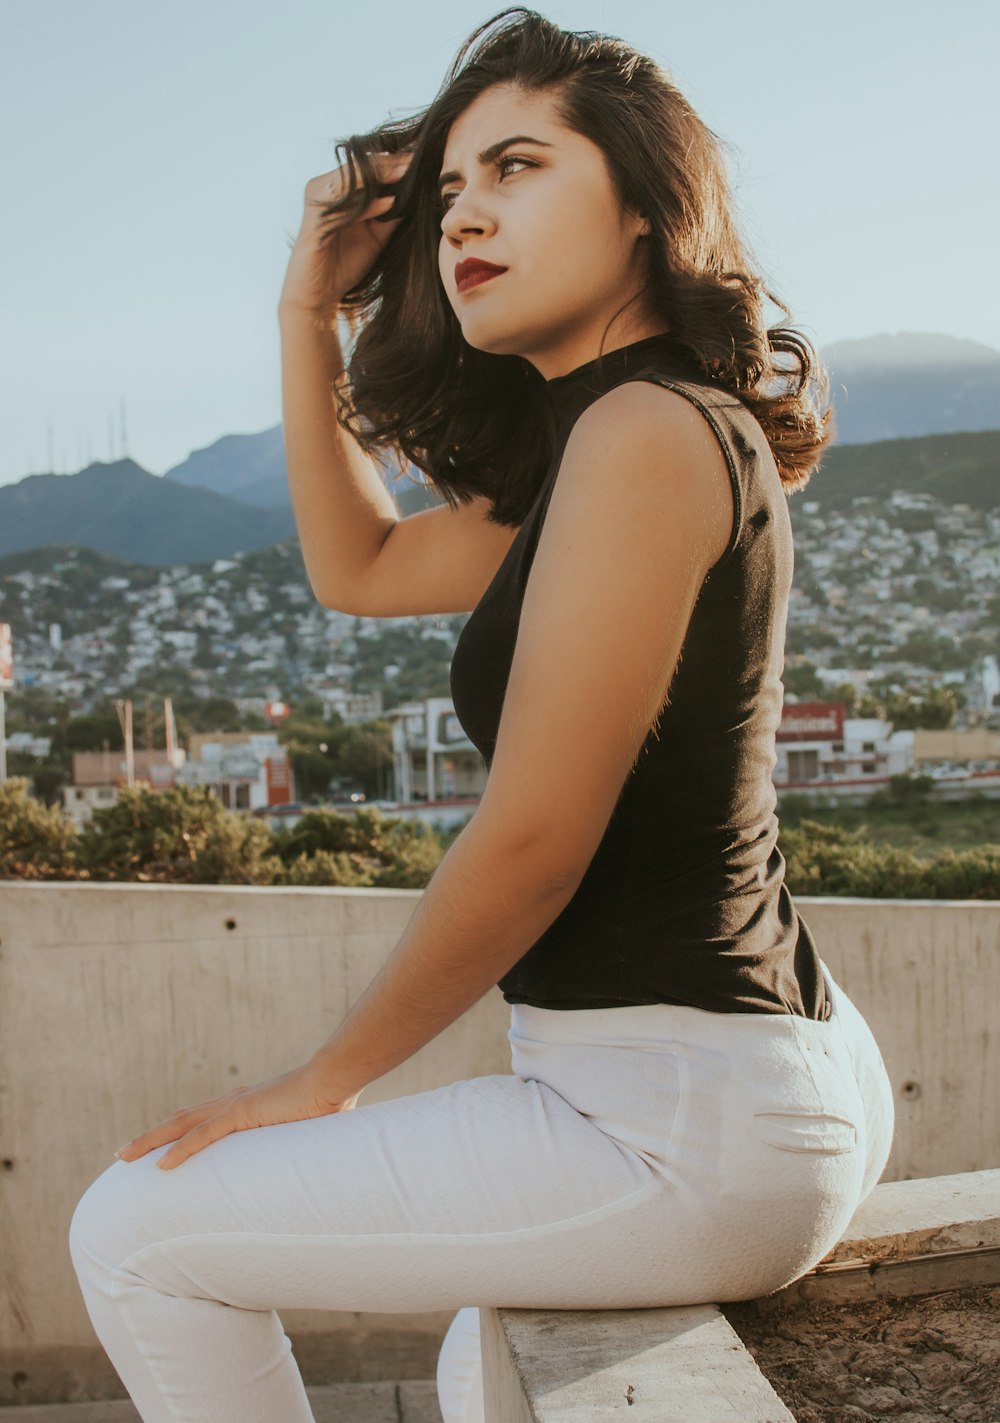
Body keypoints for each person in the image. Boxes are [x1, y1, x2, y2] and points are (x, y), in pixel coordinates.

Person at [68, 9, 895, 1421]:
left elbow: (532, 841)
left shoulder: (646, 435)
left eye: (517, 168)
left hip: (678, 1112)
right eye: (448, 188)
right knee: (482, 1369)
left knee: (132, 1232)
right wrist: (304, 307)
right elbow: (362, 567)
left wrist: (319, 1083)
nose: (467, 215)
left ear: (643, 206)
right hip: (734, 1077)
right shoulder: (608, 440)